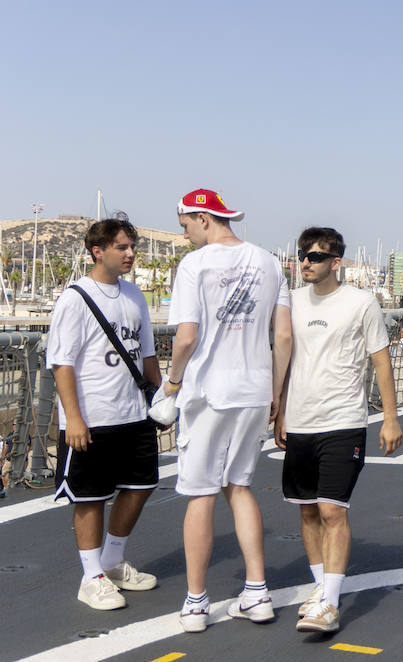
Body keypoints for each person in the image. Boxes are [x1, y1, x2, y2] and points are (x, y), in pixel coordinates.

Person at [163, 189, 292, 632]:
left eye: (185, 226)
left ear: (202, 217)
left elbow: (185, 337)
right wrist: (277, 395)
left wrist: (172, 383)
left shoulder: (195, 266)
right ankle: (257, 593)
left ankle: (197, 604)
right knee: (240, 486)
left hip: (208, 393)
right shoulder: (270, 261)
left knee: (200, 493)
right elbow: (284, 337)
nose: (185, 236)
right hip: (255, 388)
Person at [278, 227, 403, 634]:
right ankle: (320, 590)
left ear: (337, 261)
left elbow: (381, 362)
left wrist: (389, 417)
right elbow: (283, 358)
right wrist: (278, 411)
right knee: (308, 509)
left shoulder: (361, 303)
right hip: (298, 422)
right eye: (303, 255)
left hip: (344, 421)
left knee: (333, 509)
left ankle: (330, 603)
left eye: (315, 256)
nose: (306, 263)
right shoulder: (291, 303)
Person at [48, 219, 162, 610]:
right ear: (98, 251)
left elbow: (146, 355)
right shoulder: (76, 297)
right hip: (93, 417)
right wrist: (73, 419)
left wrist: (162, 400)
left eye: (132, 247)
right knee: (91, 497)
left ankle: (112, 562)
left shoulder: (134, 296)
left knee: (141, 485)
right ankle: (91, 576)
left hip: (134, 414)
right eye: (122, 247)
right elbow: (61, 363)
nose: (130, 254)